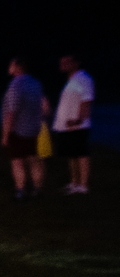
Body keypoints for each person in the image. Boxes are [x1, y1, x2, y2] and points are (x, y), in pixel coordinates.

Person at [2, 57, 46, 199]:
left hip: (17, 130)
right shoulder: (36, 83)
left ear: (17, 67)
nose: (9, 67)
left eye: (11, 64)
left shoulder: (15, 85)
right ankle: (37, 189)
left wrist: (5, 134)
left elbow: (11, 111)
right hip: (33, 129)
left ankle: (20, 190)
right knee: (34, 159)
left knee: (17, 161)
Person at [53, 54, 94, 195]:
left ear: (76, 63)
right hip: (67, 125)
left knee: (81, 154)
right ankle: (74, 183)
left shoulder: (84, 79)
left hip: (78, 125)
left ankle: (83, 185)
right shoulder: (71, 80)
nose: (63, 64)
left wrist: (79, 119)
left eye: (66, 62)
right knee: (71, 154)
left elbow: (86, 100)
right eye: (62, 61)